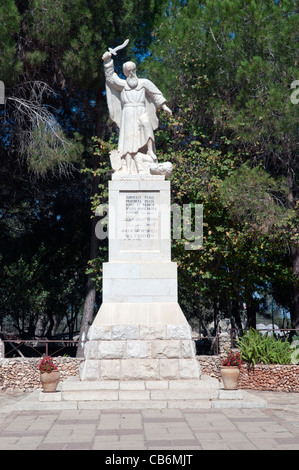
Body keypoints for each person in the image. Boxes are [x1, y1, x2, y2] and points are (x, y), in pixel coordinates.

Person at [102, 51, 172, 174]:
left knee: (146, 124)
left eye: (132, 70)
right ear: (125, 73)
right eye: (128, 71)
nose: (131, 73)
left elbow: (155, 93)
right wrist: (108, 62)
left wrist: (164, 106)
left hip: (141, 110)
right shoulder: (122, 84)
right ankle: (128, 168)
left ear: (135, 70)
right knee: (128, 140)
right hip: (128, 113)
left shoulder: (144, 82)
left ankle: (149, 150)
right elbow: (110, 78)